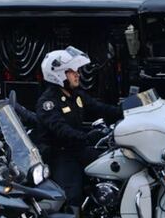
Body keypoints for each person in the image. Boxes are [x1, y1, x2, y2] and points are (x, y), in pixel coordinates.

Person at [35, 47, 123, 203]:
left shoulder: (76, 95)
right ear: (58, 74)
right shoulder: (47, 102)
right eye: (72, 71)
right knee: (71, 196)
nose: (78, 74)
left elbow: (101, 108)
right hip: (60, 154)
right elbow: (61, 129)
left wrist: (129, 109)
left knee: (115, 168)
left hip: (79, 149)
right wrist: (86, 137)